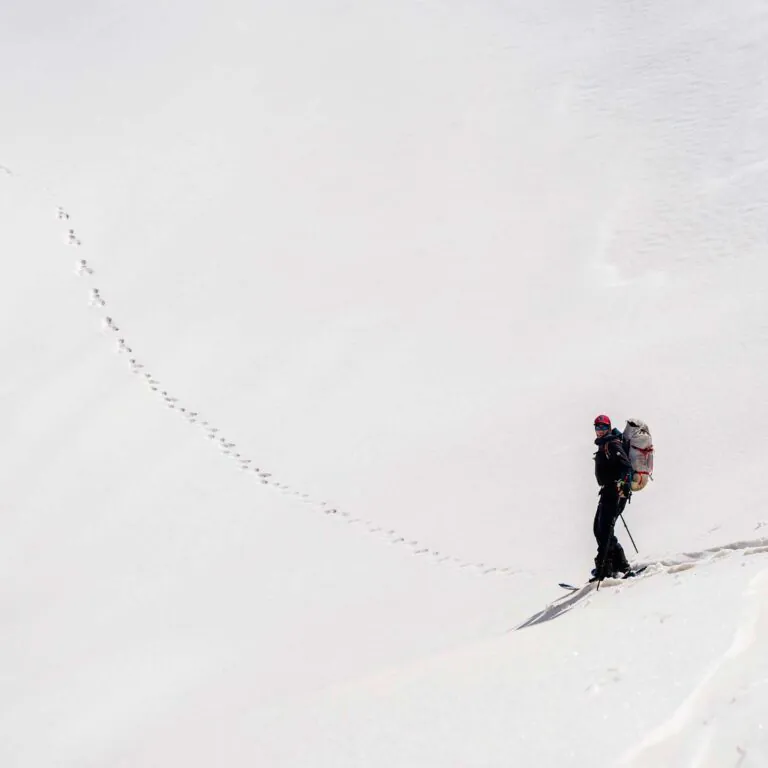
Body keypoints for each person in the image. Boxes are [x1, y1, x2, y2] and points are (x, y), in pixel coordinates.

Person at [591, 414, 633, 580]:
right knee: (599, 529)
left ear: (608, 428)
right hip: (608, 492)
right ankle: (617, 565)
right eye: (597, 427)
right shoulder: (605, 444)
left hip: (615, 493)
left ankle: (607, 569)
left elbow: (626, 466)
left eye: (602, 427)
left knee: (604, 530)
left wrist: (622, 486)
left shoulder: (613, 444)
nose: (599, 431)